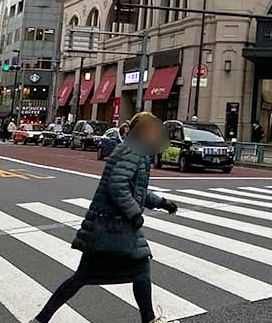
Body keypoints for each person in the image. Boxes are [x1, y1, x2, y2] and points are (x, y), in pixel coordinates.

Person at [29, 112, 177, 323]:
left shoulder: (136, 150)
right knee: (97, 274)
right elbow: (118, 185)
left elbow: (136, 189)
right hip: (112, 225)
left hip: (110, 224)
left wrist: (162, 202)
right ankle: (41, 319)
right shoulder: (132, 151)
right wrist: (134, 213)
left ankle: (41, 319)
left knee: (133, 270)